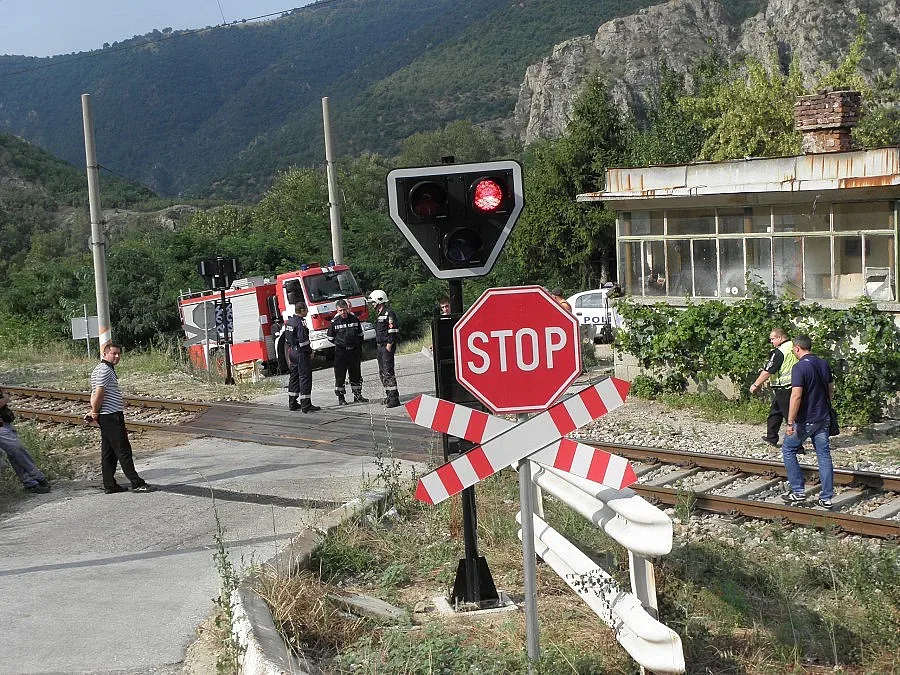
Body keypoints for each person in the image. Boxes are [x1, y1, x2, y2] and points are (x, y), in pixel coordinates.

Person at [84, 343, 155, 494]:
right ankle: (136, 483)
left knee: (109, 452)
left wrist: (95, 411)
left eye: (118, 354)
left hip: (108, 414)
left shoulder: (101, 369)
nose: (117, 356)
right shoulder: (104, 370)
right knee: (123, 449)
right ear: (105, 354)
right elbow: (98, 393)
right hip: (110, 415)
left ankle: (109, 485)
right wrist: (95, 411)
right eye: (113, 353)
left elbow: (94, 393)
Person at [781, 334, 835, 509]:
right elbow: (830, 390)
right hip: (823, 417)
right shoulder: (823, 363)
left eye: (793, 350)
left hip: (806, 420)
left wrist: (790, 422)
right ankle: (826, 498)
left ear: (797, 348)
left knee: (788, 449)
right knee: (824, 455)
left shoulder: (799, 368)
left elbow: (796, 396)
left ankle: (798, 491)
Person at [749, 327, 798, 447]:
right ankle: (772, 437)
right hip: (792, 386)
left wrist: (756, 384)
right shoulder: (795, 346)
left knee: (790, 418)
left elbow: (768, 371)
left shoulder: (780, 351)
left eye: (772, 339)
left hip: (785, 388)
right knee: (775, 412)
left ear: (780, 337)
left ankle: (797, 446)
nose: (771, 341)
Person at [0, 389, 51, 494]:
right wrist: (5, 398)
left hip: (3, 424)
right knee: (16, 450)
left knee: (15, 452)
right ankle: (36, 478)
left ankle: (32, 482)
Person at [327, 299, 368, 405]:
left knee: (356, 374)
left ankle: (357, 395)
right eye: (340, 310)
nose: (343, 312)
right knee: (340, 375)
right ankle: (341, 398)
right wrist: (340, 344)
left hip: (353, 351)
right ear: (337, 310)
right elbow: (330, 337)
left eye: (344, 310)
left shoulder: (354, 319)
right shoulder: (334, 322)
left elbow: (360, 335)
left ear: (348, 309)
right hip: (341, 352)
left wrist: (357, 347)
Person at [285, 303, 320, 413]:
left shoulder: (289, 321)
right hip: (301, 353)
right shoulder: (300, 323)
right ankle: (306, 405)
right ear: (302, 310)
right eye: (306, 310)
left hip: (292, 352)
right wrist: (310, 351)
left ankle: (292, 403)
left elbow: (287, 339)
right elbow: (303, 341)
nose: (308, 312)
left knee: (294, 377)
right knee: (305, 378)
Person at [369, 289, 401, 408]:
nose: (372, 304)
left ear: (379, 300)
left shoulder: (389, 313)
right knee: (382, 372)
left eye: (373, 302)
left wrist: (389, 344)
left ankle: (394, 399)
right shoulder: (379, 314)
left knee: (388, 371)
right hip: (380, 347)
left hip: (386, 346)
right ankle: (389, 395)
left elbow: (392, 329)